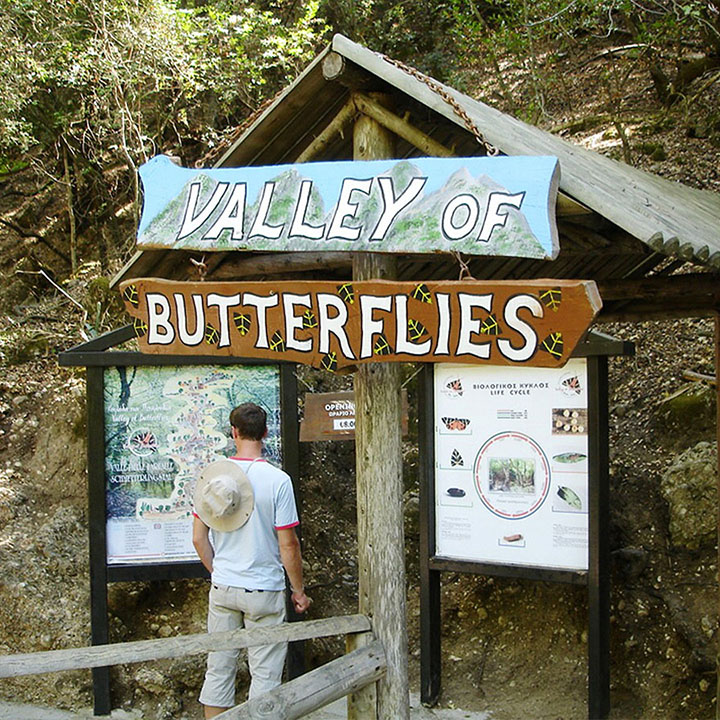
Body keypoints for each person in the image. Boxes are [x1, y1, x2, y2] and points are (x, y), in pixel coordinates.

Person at [192, 402, 311, 718]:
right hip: (264, 589)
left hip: (224, 587)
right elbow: (289, 545)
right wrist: (298, 591)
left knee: (218, 669)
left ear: (234, 433)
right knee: (266, 676)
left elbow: (198, 538)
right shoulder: (278, 481)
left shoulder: (212, 479)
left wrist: (218, 571)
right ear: (266, 433)